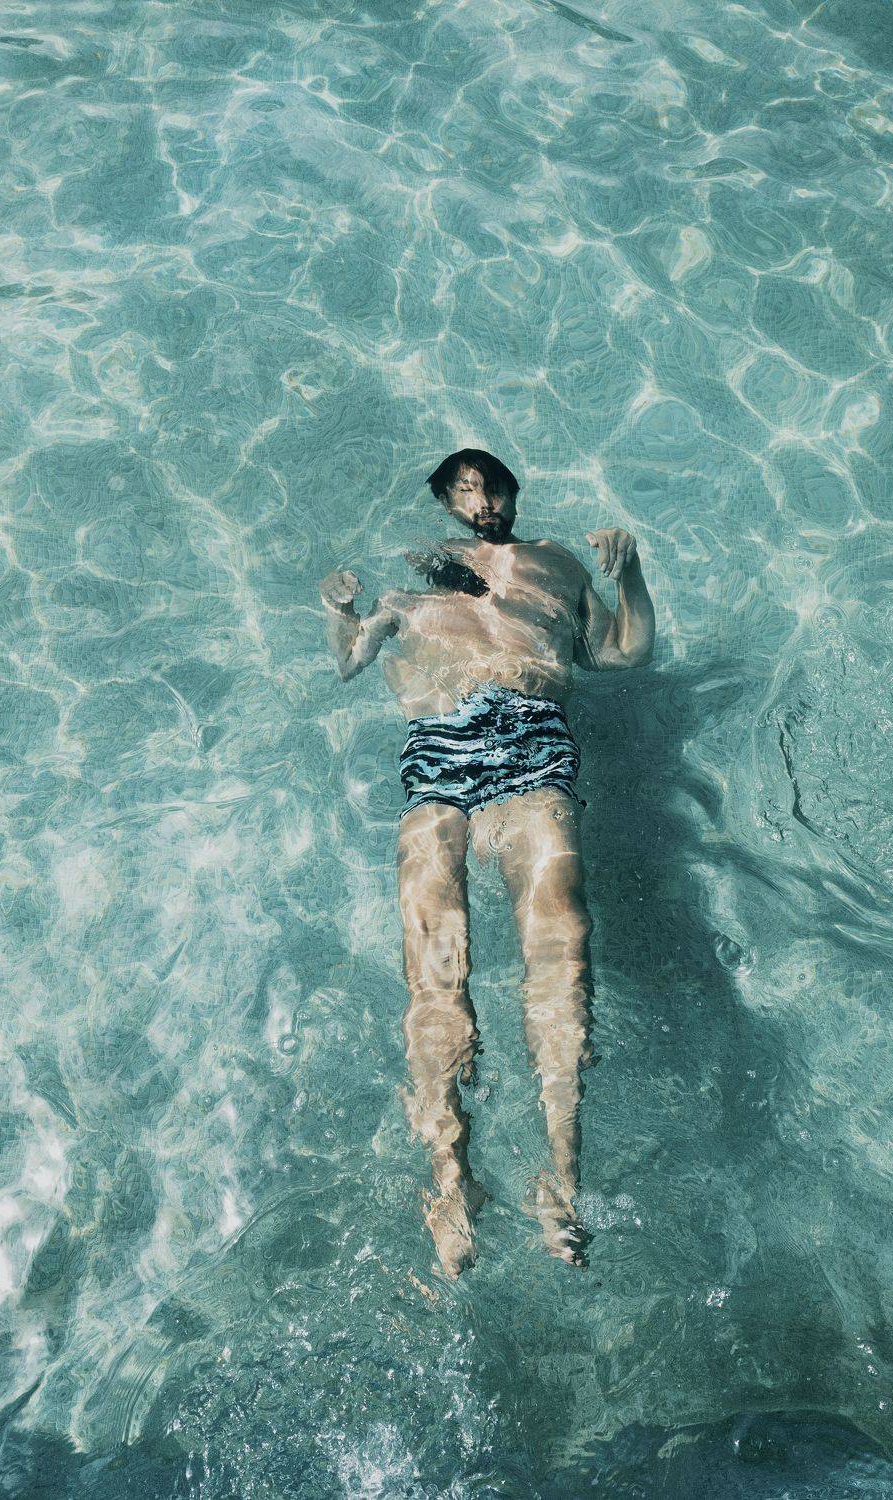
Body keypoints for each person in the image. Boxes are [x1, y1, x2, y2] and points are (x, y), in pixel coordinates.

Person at [319, 448, 656, 1278]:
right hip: (438, 755)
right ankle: (451, 1181)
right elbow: (350, 662)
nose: (484, 501)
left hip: (534, 747)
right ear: (445, 502)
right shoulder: (413, 582)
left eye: (493, 485)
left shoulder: (557, 564)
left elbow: (620, 656)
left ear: (513, 490)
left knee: (561, 946)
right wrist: (340, 610)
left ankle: (561, 1178)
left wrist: (631, 577)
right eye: (465, 490)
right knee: (435, 965)